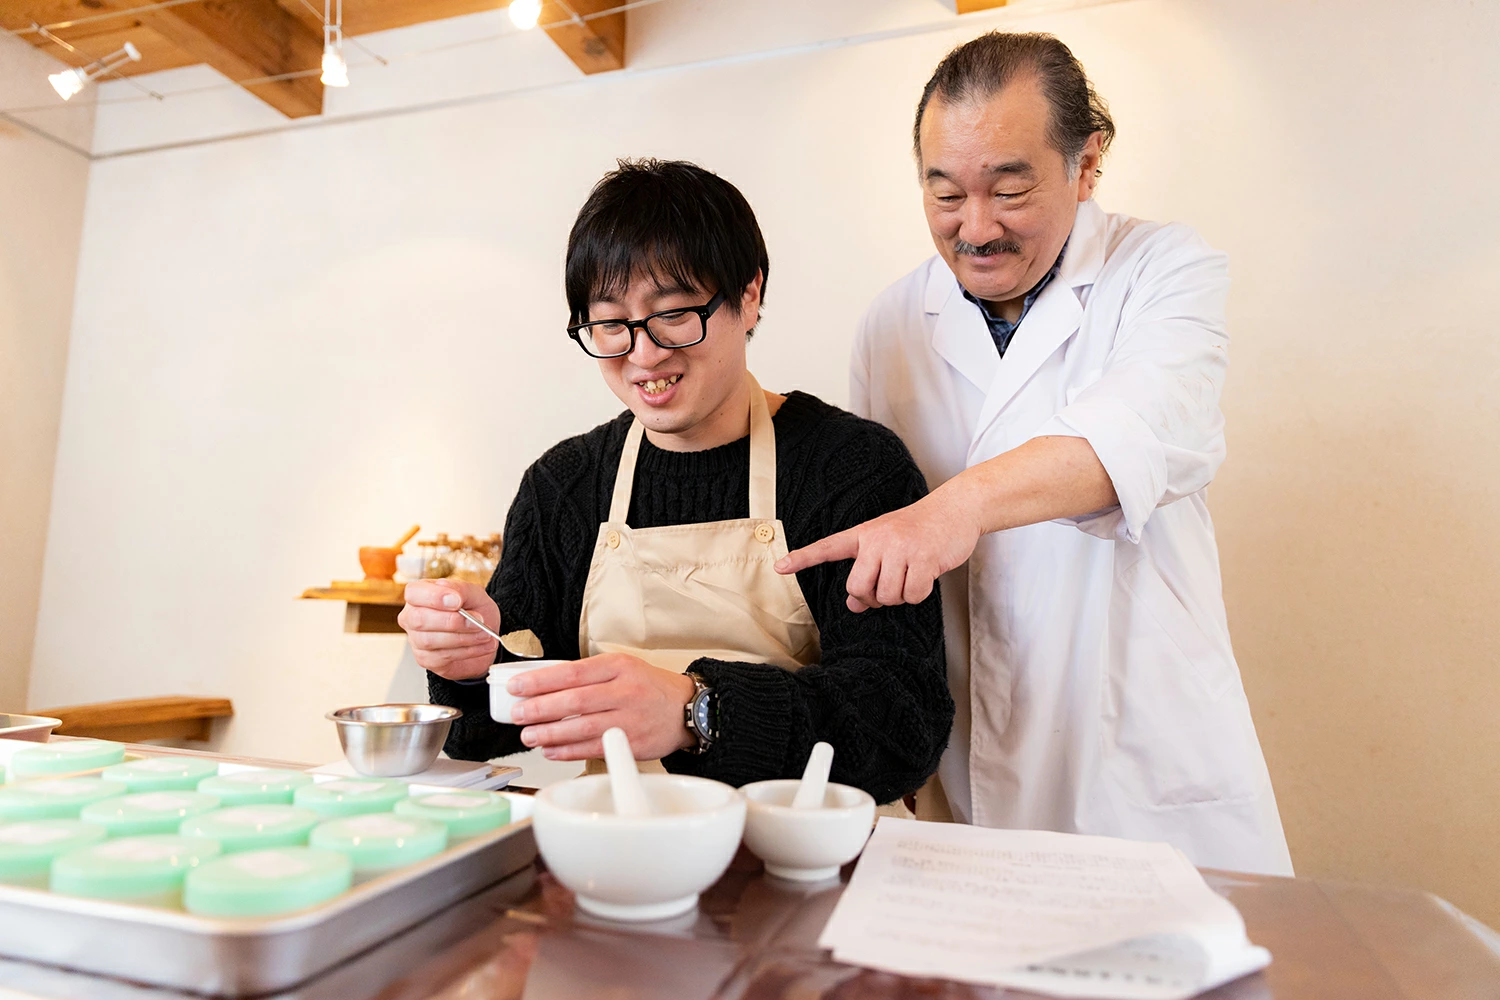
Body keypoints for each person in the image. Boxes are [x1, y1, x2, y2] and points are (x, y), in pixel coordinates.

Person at [777, 33, 1293, 874]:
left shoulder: (1164, 272)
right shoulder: (893, 323)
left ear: (1086, 164)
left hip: (1137, 762)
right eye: (944, 194)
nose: (975, 228)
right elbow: (881, 527)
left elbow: (1131, 434)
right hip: (964, 775)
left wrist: (958, 508)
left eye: (1009, 189)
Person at [400, 159, 952, 805]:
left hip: (807, 862)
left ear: (749, 295)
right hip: (618, 852)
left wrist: (697, 711)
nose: (643, 353)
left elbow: (899, 725)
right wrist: (469, 666)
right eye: (611, 323)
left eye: (674, 313)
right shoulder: (564, 486)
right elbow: (482, 737)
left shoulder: (850, 469)